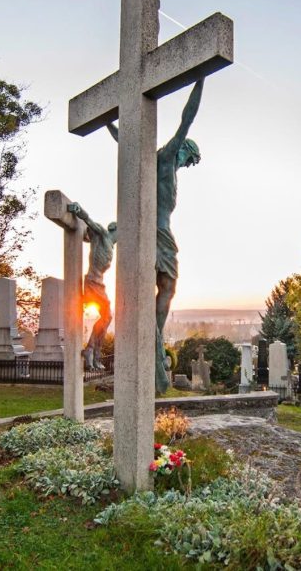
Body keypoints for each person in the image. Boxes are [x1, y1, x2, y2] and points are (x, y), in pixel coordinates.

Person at [107, 78, 205, 393]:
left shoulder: (164, 168)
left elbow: (125, 140)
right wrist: (200, 78)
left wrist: (112, 125)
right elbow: (185, 120)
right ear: (185, 152)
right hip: (156, 231)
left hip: (164, 232)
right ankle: (153, 337)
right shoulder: (165, 160)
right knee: (165, 286)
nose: (188, 165)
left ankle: (154, 337)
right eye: (190, 160)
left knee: (168, 288)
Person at [67, 202, 117, 371]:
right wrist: (78, 210)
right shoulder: (103, 235)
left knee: (106, 317)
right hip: (92, 282)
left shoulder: (111, 245)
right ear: (114, 228)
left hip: (100, 283)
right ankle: (91, 351)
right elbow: (90, 222)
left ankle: (93, 352)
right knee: (107, 316)